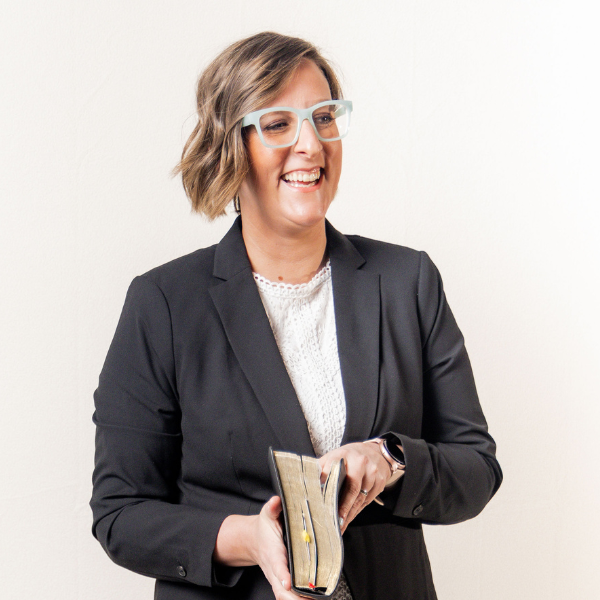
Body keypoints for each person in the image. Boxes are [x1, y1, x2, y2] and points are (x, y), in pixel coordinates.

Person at [90, 31, 502, 600]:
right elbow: (120, 513)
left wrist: (391, 459)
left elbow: (476, 468)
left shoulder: (407, 281)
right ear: (231, 146)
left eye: (323, 117)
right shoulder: (163, 303)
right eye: (279, 123)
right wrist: (247, 539)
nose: (310, 144)